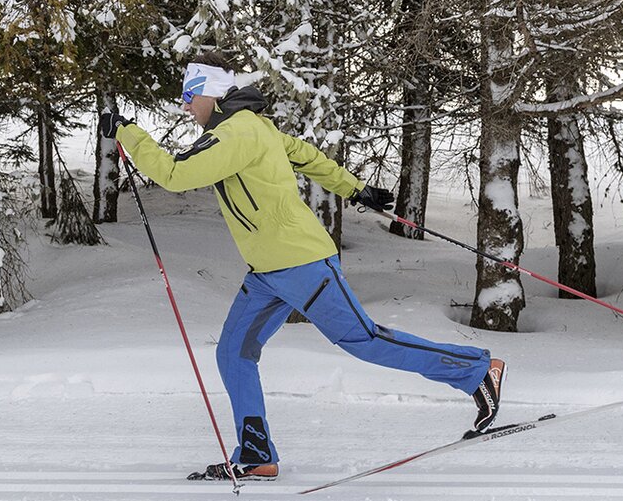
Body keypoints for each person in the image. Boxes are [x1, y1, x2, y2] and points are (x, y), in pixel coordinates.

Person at [99, 54, 505, 482]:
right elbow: (306, 155)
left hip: (301, 264)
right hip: (267, 272)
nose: (185, 106)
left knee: (363, 339)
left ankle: (478, 371)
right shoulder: (253, 128)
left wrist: (126, 131)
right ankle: (256, 455)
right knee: (234, 352)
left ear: (211, 93)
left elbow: (175, 174)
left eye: (189, 96)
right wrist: (356, 189)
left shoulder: (236, 133)